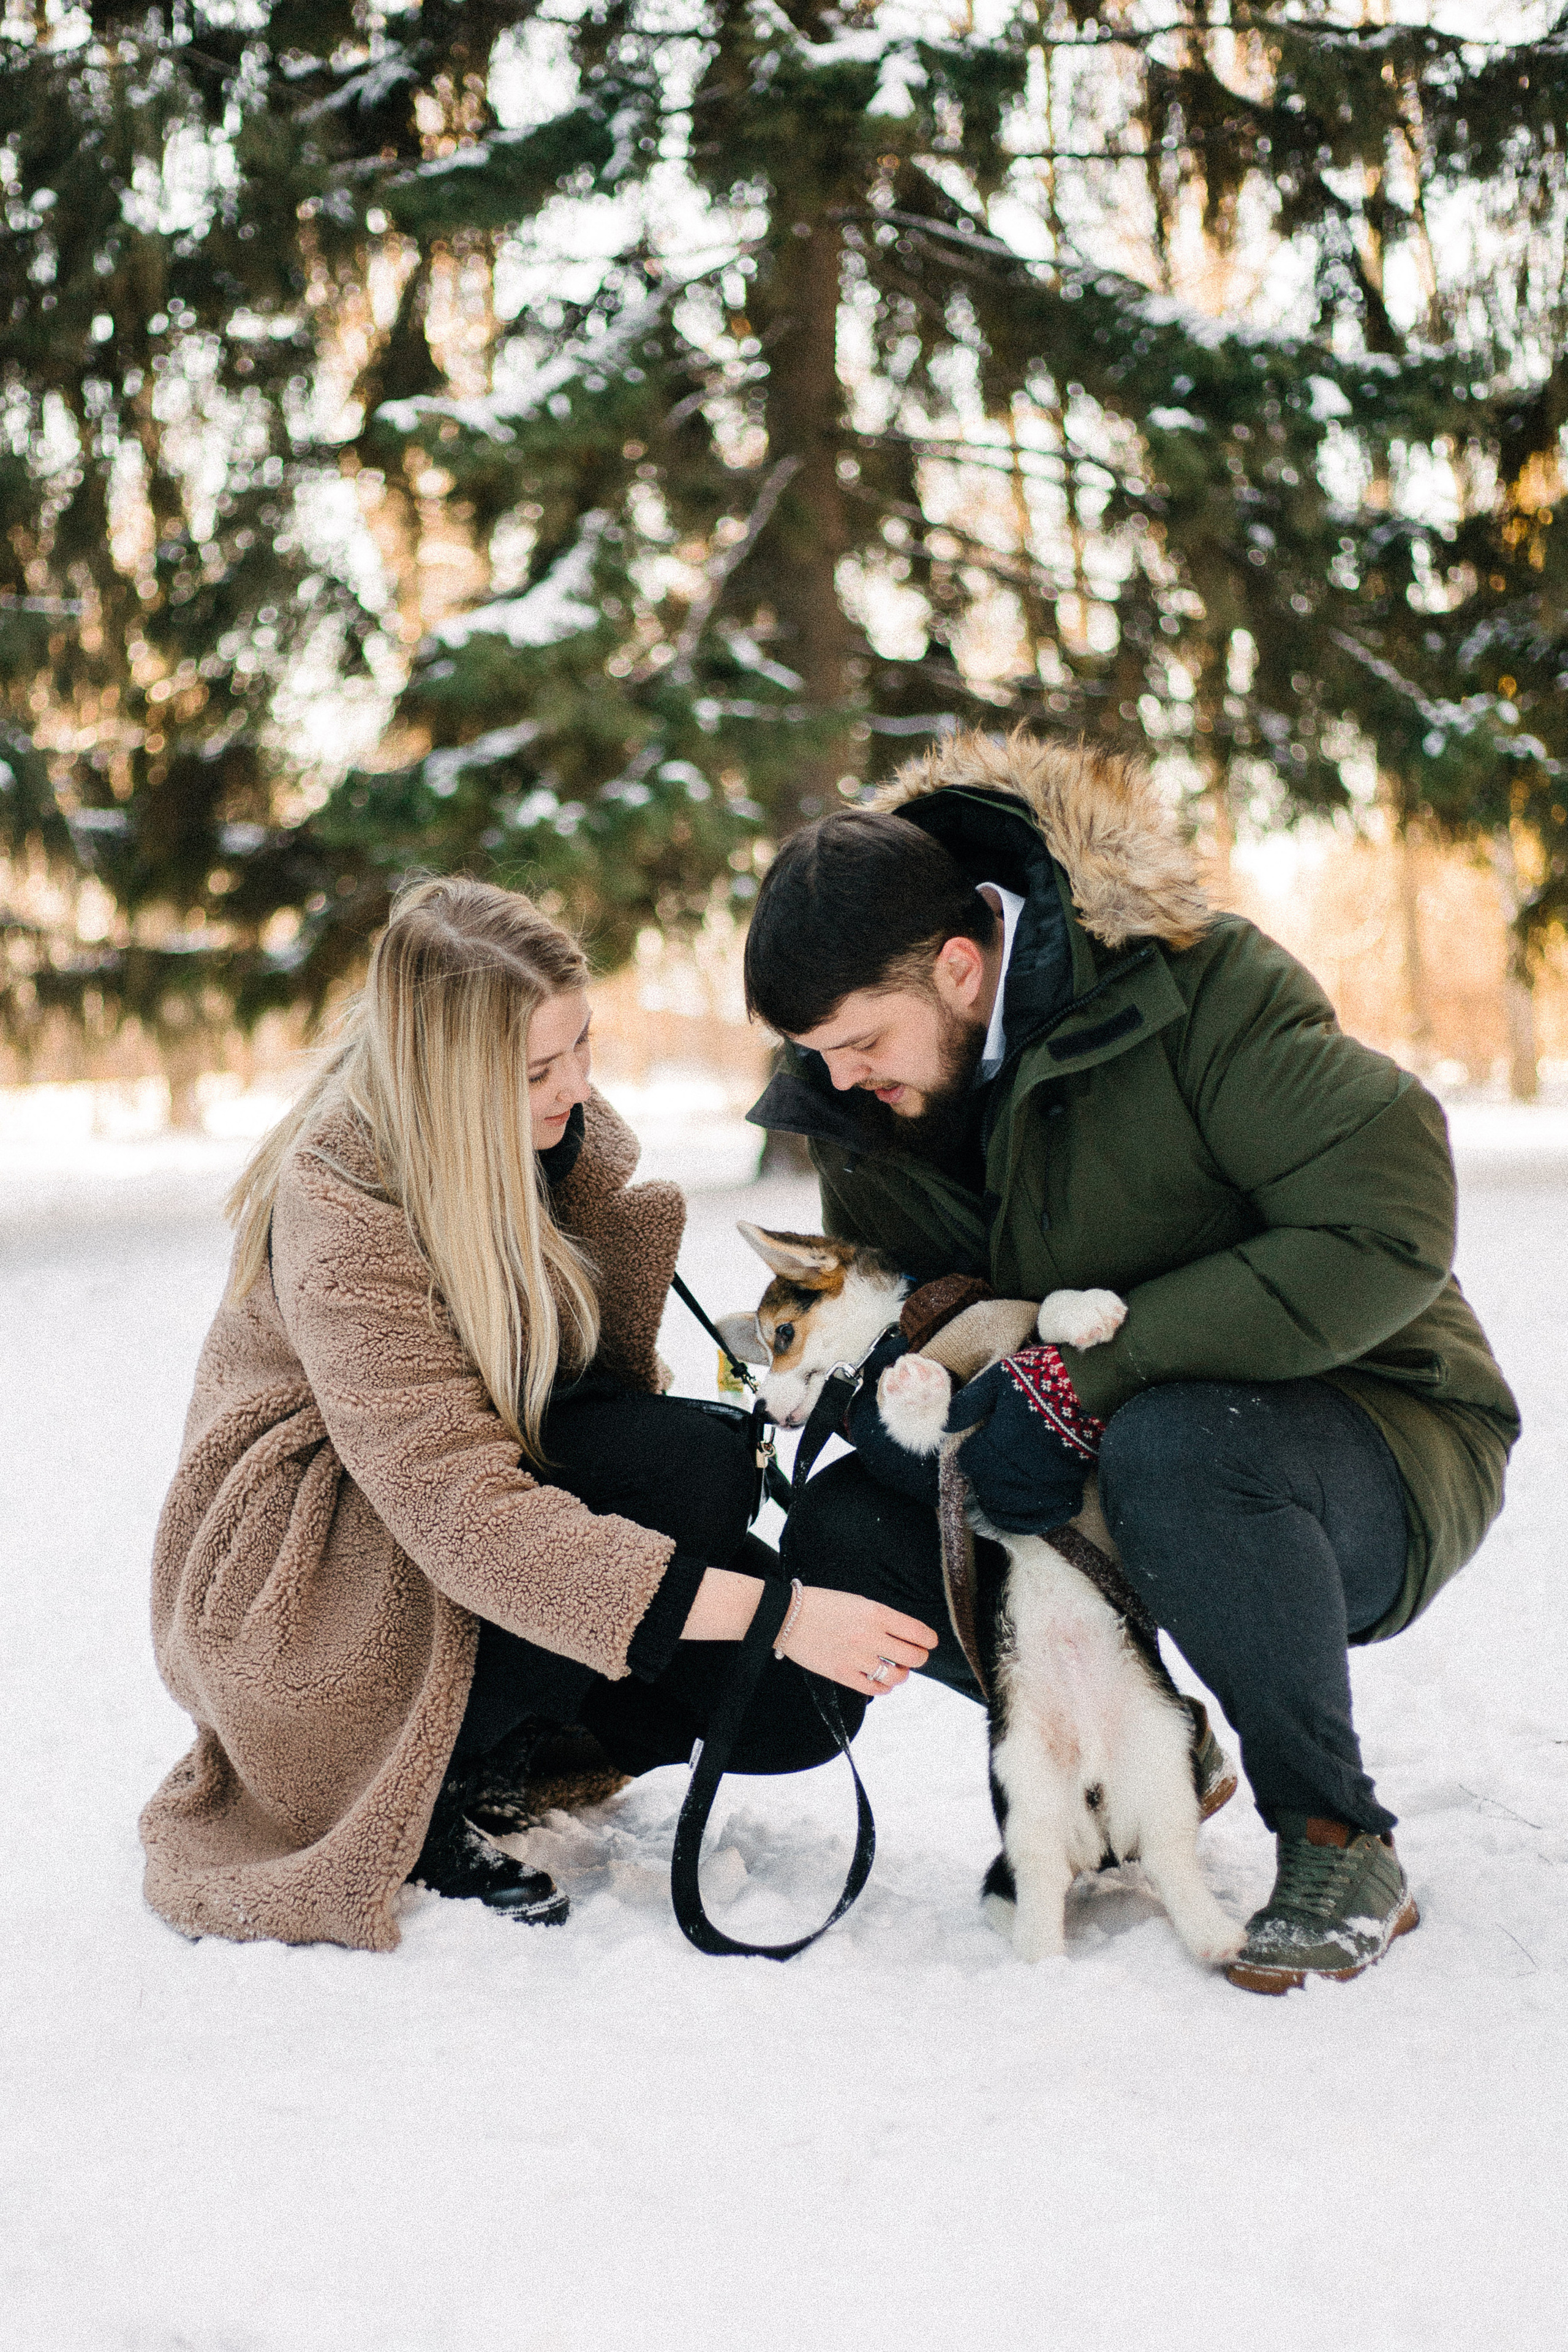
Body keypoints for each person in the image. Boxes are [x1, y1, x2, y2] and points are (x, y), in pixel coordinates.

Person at [743, 729, 1519, 1993]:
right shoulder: (866, 1099)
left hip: (1365, 1429)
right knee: (851, 1521)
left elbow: (1385, 1227)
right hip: (1091, 1440)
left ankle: (1334, 1835)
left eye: (857, 1043)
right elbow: (923, 1310)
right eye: (815, 1055)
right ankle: (1155, 1749)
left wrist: (1083, 1378)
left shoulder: (1193, 990)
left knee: (1175, 1445)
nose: (837, 1081)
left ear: (954, 966)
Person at [140, 877, 935, 1951]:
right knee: (722, 1595)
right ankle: (427, 1785)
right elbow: (469, 1519)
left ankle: (517, 1730)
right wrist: (780, 1613)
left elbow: (606, 1419)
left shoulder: (547, 1146)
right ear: (447, 1080)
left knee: (786, 1700)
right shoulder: (342, 1204)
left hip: (448, 1520)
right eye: (534, 1072)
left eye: (580, 1049)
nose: (577, 1088)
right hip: (311, 1582)